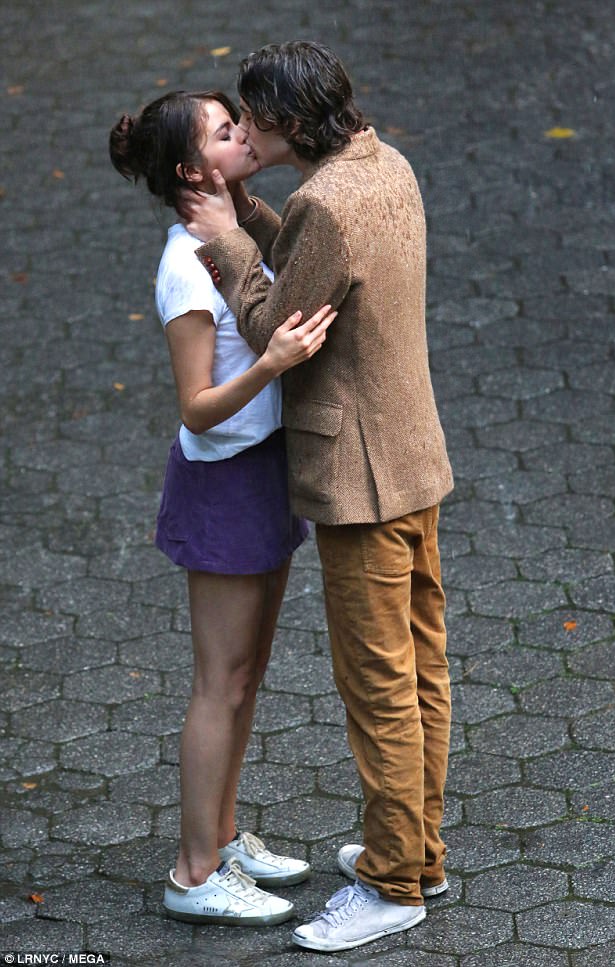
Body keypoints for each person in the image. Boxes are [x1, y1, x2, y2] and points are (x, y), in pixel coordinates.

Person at [181, 42, 454, 952]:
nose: (246, 133)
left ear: (290, 124)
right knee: (422, 667)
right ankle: (420, 851)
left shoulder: (323, 206)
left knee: (378, 686)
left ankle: (390, 884)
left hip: (359, 481)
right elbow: (309, 254)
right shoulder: (383, 164)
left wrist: (224, 241)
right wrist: (254, 214)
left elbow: (276, 323)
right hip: (416, 458)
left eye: (253, 121)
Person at [109, 88, 336, 928]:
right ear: (188, 169)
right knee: (220, 682)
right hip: (224, 479)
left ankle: (226, 835)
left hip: (267, 469)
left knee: (248, 678)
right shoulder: (184, 265)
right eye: (225, 130)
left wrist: (240, 205)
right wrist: (273, 362)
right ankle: (194, 869)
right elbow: (197, 405)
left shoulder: (230, 233)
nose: (246, 133)